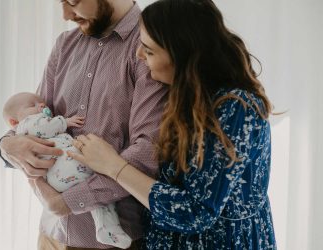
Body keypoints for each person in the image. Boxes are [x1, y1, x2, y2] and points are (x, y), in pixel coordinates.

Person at [68, 0, 277, 249]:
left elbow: (195, 212)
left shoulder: (236, 108)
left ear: (182, 54)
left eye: (149, 50)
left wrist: (113, 165)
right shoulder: (182, 96)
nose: (138, 55)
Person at [0, 0, 167, 249]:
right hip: (51, 234)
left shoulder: (149, 49)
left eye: (72, 1)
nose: (66, 14)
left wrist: (68, 202)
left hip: (113, 242)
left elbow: (148, 151)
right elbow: (33, 118)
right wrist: (7, 145)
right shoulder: (65, 45)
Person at [2, 92, 132, 249]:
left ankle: (106, 229)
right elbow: (44, 129)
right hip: (63, 171)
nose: (41, 105)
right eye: (32, 105)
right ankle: (107, 226)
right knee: (95, 180)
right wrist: (65, 121)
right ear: (14, 122)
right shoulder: (27, 125)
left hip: (66, 172)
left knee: (99, 203)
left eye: (41, 103)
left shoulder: (32, 119)